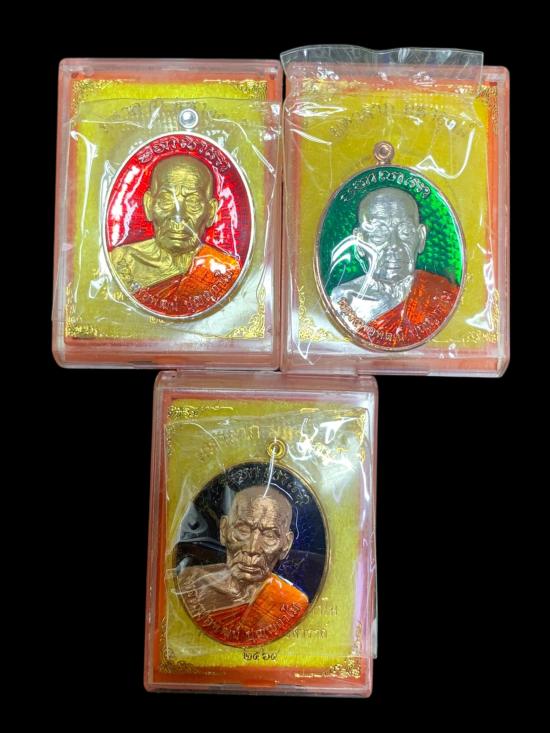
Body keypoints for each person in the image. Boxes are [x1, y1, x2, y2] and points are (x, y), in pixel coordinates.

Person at [176, 485, 308, 646]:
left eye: (269, 535)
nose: (252, 549)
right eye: (243, 529)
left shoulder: (291, 602)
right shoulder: (190, 583)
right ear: (224, 530)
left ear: (286, 545)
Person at [110, 155, 240, 315]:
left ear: (211, 211)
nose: (178, 216)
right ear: (149, 205)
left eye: (193, 202)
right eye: (166, 200)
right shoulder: (123, 260)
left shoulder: (226, 269)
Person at [330, 188, 459, 348]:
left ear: (421, 238)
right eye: (379, 234)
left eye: (405, 232)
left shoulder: (442, 294)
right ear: (360, 241)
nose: (394, 245)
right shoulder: (343, 298)